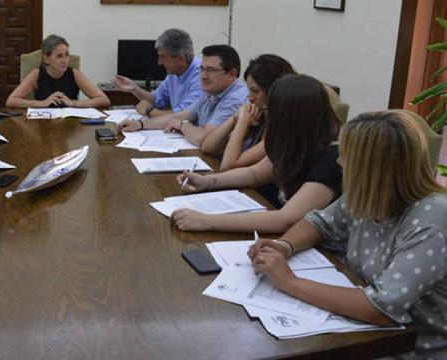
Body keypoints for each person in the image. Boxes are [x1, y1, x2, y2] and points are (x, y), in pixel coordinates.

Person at [248, 110, 447, 360]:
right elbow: (319, 223)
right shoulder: (368, 194)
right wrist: (284, 246)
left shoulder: (432, 219)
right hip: (359, 333)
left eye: (347, 155)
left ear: (373, 168)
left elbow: (381, 307)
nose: (339, 162)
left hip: (405, 349)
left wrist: (288, 281)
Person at [171, 74, 341, 233]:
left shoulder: (331, 160)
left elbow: (285, 219)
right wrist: (207, 182)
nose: (266, 110)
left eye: (273, 109)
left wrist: (207, 221)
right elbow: (255, 174)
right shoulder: (295, 144)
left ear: (292, 118)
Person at [118, 45, 248, 147]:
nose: (203, 76)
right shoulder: (211, 91)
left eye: (211, 70)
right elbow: (179, 116)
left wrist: (182, 125)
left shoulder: (235, 98)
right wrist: (140, 124)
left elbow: (203, 139)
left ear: (232, 74)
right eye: (202, 69)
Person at [201, 54, 295, 170]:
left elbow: (228, 165)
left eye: (255, 91)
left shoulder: (283, 127)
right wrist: (235, 117)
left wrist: (242, 121)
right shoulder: (259, 116)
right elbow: (208, 147)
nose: (250, 98)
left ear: (273, 91)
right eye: (248, 90)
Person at [112, 28, 202, 117]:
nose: (159, 62)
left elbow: (182, 116)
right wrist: (135, 89)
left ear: (181, 59)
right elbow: (157, 100)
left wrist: (149, 111)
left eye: (163, 56)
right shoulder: (174, 74)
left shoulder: (202, 77)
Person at [5, 35, 110, 108]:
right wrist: (42, 103)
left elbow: (104, 100)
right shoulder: (37, 74)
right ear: (47, 59)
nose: (65, 60)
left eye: (67, 55)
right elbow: (11, 101)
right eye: (59, 56)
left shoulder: (74, 74)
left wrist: (74, 103)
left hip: (70, 126)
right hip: (42, 124)